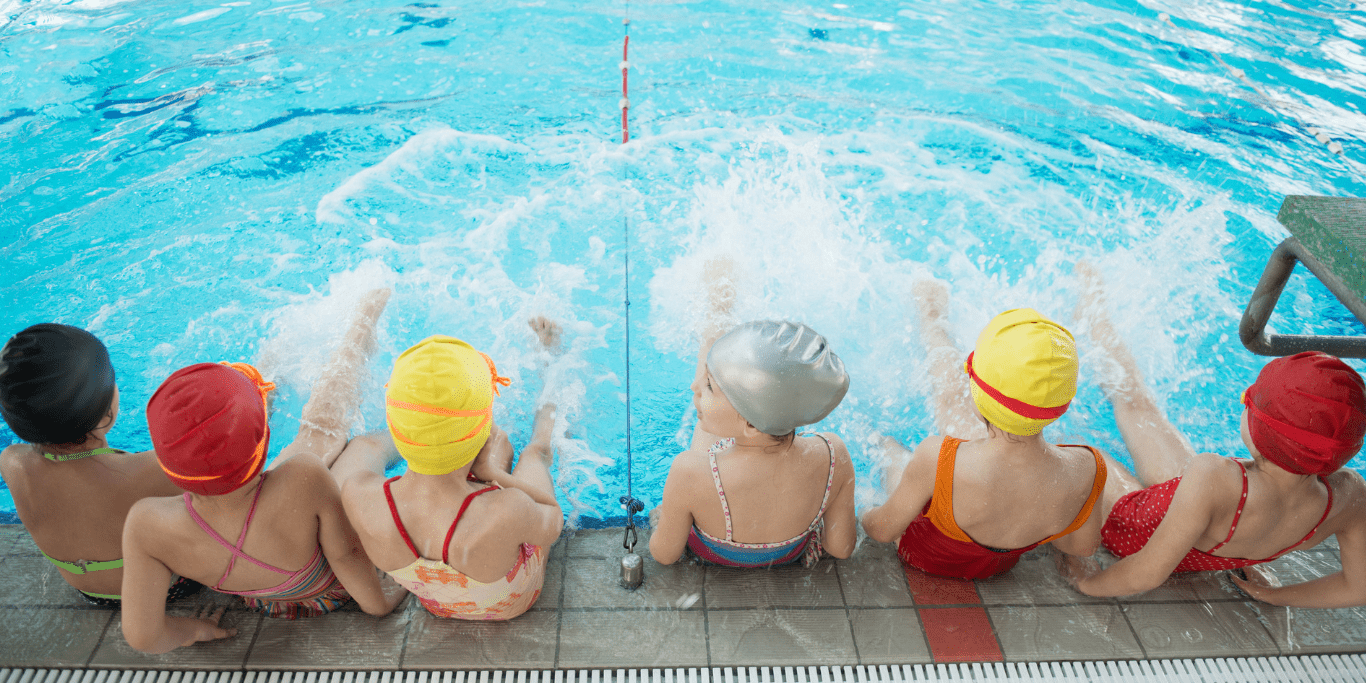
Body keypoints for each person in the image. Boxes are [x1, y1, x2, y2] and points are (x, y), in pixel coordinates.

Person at [1061, 263, 1366, 607]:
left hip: (1131, 528)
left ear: (1257, 429)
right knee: (1139, 405)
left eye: (1247, 400)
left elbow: (1146, 574)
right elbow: (1358, 587)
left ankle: (998, 409)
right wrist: (1270, 596)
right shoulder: (1349, 496)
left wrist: (1088, 583)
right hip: (1203, 518)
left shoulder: (1213, 477)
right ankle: (1093, 311)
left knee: (1080, 456)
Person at [120, 288, 406, 654]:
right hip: (325, 593)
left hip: (262, 600)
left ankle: (265, 369)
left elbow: (144, 637)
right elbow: (347, 556)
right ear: (265, 444)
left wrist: (198, 631)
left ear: (166, 464)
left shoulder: (146, 524)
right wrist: (377, 604)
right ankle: (361, 324)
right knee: (327, 434)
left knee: (242, 425)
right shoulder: (302, 477)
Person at [860, 279, 1107, 580]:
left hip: (923, 557)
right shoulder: (1087, 466)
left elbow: (883, 530)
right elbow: (1082, 547)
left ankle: (930, 317)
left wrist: (862, 514)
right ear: (1063, 402)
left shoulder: (937, 457)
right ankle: (932, 318)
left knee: (890, 446)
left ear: (977, 395)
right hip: (998, 567)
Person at [335, 317, 564, 620]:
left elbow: (364, 452)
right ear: (482, 430)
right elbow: (553, 520)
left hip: (437, 602)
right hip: (510, 603)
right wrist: (495, 474)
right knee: (535, 455)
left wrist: (425, 424)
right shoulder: (508, 509)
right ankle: (551, 362)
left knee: (365, 445)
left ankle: (438, 427)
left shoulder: (358, 494)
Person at [649, 257, 857, 568]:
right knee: (714, 409)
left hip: (716, 552)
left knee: (707, 429)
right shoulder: (832, 453)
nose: (693, 387)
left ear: (749, 423)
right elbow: (840, 547)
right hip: (789, 554)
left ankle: (717, 311)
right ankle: (719, 319)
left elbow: (664, 555)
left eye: (707, 386)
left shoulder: (690, 472)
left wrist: (661, 519)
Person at [0, 324, 197, 605]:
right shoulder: (151, 470)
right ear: (107, 411)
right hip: (166, 590)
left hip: (88, 592)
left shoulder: (12, 462)